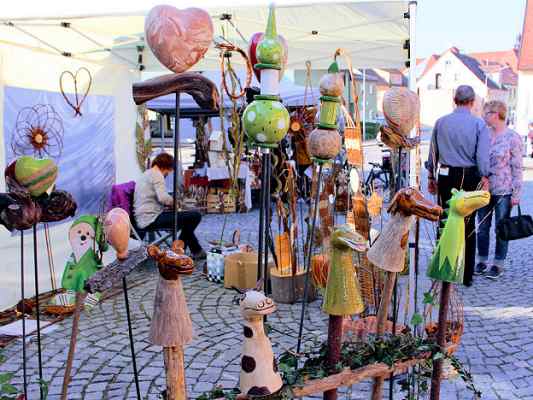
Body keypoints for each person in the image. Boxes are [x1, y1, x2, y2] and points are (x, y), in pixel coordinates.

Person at [426, 85, 490, 287]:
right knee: (468, 224)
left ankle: (442, 269)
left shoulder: (440, 122)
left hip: (445, 174)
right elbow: (481, 157)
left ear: (455, 100)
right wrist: (485, 176)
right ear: (472, 102)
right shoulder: (479, 125)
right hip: (469, 175)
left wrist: (431, 176)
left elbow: (433, 152)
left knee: (445, 219)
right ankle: (466, 274)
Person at [475, 101, 523, 279]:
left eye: (486, 113)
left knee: (501, 228)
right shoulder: (483, 135)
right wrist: (482, 178)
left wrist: (516, 193)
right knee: (482, 227)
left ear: (495, 114)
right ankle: (481, 261)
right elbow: (477, 160)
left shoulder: (513, 138)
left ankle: (498, 264)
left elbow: (517, 168)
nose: (483, 116)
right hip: (484, 190)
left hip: (504, 190)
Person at [134, 152, 206, 260]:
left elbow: (155, 199)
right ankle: (180, 249)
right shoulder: (157, 175)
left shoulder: (147, 173)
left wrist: (169, 205)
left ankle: (196, 250)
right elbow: (163, 197)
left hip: (143, 217)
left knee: (186, 221)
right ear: (166, 167)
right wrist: (175, 203)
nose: (169, 173)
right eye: (169, 170)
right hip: (151, 219)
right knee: (195, 216)